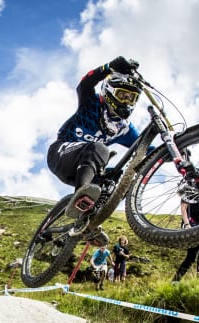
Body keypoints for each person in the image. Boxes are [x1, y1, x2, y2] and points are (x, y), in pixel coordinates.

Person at [47, 55, 141, 245]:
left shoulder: (124, 128)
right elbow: (84, 85)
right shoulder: (92, 102)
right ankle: (82, 194)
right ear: (110, 91)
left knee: (116, 178)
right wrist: (109, 67)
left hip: (84, 169)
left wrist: (174, 151)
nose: (126, 101)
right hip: (61, 154)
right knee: (100, 148)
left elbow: (145, 146)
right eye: (122, 95)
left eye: (131, 98)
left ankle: (88, 223)